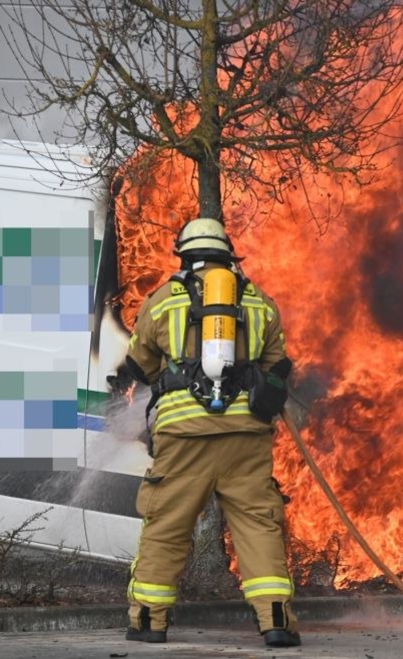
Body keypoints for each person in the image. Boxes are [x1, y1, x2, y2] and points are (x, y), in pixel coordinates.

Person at [122, 217, 300, 648]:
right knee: (257, 525)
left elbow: (140, 363)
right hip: (246, 435)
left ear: (184, 255)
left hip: (183, 437)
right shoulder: (259, 302)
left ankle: (149, 622)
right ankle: (276, 621)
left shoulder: (161, 301)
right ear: (228, 254)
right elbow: (277, 366)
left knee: (167, 525)